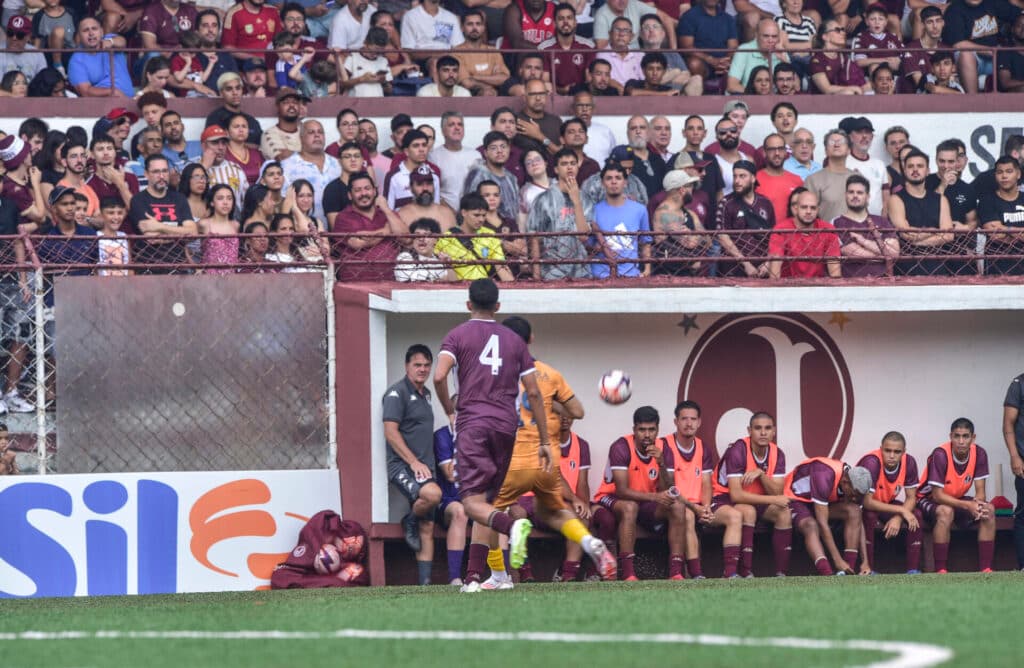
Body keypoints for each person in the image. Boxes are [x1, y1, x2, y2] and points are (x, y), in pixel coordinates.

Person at [432, 278, 550, 593]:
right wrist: (545, 441)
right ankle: (476, 578)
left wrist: (449, 410)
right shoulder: (515, 341)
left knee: (471, 504)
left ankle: (514, 526)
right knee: (488, 503)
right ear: (498, 306)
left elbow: (439, 375)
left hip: (473, 425)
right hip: (506, 427)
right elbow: (535, 394)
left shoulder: (457, 335)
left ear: (468, 304)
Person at [484, 316, 615, 588]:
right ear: (531, 340)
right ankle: (589, 541)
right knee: (554, 512)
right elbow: (577, 412)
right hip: (546, 463)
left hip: (513, 461)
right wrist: (550, 406)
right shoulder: (550, 374)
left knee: (488, 513)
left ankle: (498, 575)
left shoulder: (494, 376)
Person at [593, 405, 686, 580]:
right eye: (642, 429)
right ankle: (628, 573)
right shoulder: (621, 447)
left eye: (651, 430)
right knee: (629, 507)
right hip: (611, 497)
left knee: (678, 508)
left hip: (645, 502)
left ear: (658, 429)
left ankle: (676, 572)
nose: (647, 434)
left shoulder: (664, 449)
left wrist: (661, 463)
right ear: (634, 429)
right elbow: (622, 491)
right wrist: (655, 497)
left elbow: (670, 488)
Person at [383, 344, 443, 585]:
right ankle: (408, 519)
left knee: (427, 525)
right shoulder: (396, 393)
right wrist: (414, 462)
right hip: (403, 467)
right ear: (407, 366)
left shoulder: (426, 394)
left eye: (427, 365)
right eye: (417, 365)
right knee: (433, 495)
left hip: (424, 468)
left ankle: (425, 585)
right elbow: (391, 433)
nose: (422, 369)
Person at [710, 412, 791, 577]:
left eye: (767, 428)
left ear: (774, 431)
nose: (763, 433)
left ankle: (781, 574)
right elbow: (736, 495)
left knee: (784, 513)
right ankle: (741, 572)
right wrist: (774, 499)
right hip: (723, 497)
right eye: (758, 428)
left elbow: (777, 492)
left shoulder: (777, 453)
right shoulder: (738, 450)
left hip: (756, 499)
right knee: (748, 511)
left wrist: (761, 474)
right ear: (749, 430)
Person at [917, 418, 996, 573]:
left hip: (955, 499)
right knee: (946, 512)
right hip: (927, 499)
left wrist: (978, 504)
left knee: (989, 509)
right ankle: (940, 569)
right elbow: (938, 495)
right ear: (950, 436)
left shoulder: (979, 453)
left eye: (965, 436)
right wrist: (968, 505)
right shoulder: (940, 454)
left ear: (973, 438)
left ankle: (986, 569)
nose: (961, 441)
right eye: (957, 436)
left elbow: (980, 490)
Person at [662, 400, 726, 579]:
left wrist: (705, 507)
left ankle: (735, 572)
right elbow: (670, 488)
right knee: (688, 515)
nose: (689, 423)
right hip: (672, 503)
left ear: (699, 422)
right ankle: (696, 573)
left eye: (693, 419)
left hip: (697, 505)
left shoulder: (702, 447)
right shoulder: (664, 445)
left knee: (736, 516)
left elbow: (706, 483)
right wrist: (695, 508)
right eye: (684, 419)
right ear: (676, 422)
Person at [784, 457, 872, 575]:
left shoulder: (855, 485)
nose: (855, 498)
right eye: (853, 495)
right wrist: (837, 560)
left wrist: (865, 562)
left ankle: (848, 572)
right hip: (796, 499)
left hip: (820, 503)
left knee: (855, 511)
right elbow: (822, 523)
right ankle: (826, 573)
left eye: (859, 496)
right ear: (845, 482)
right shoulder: (824, 475)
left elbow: (858, 523)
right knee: (811, 525)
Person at [857, 431, 923, 574]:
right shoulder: (872, 462)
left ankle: (913, 571)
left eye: (897, 452)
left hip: (885, 503)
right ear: (881, 449)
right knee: (869, 516)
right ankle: (869, 570)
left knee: (916, 515)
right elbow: (867, 502)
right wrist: (902, 510)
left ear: (904, 452)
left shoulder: (909, 462)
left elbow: (912, 497)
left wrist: (899, 517)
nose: (892, 456)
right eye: (888, 451)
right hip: (862, 506)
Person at [889, 148, 954, 276]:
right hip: (906, 268)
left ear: (928, 170)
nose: (915, 169)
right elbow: (906, 234)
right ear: (904, 170)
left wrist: (916, 239)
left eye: (920, 166)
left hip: (937, 267)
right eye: (910, 166)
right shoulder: (896, 199)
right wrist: (935, 231)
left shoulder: (940, 199)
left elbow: (948, 235)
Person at [526, 148, 589, 281]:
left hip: (580, 271)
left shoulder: (585, 199)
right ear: (556, 169)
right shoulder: (543, 200)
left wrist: (576, 202)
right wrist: (537, 276)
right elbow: (534, 238)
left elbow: (583, 236)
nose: (569, 167)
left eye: (573, 163)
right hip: (551, 271)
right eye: (564, 164)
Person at [332, 171, 401, 282]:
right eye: (357, 190)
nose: (363, 193)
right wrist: (387, 230)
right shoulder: (343, 218)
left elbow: (406, 238)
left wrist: (386, 210)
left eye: (367, 188)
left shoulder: (388, 214)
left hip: (390, 282)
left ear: (374, 191)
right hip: (356, 284)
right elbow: (358, 243)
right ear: (350, 195)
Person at [942, 0, 1018, 94]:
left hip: (996, 57)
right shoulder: (955, 9)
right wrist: (991, 51)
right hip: (974, 58)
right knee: (965, 54)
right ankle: (974, 102)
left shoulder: (994, 3)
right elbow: (958, 44)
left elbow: (1018, 15)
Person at [590, 162, 651, 279]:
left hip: (631, 275)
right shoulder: (593, 211)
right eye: (609, 178)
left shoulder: (640, 210)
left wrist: (647, 270)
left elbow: (646, 241)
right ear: (602, 183)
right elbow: (587, 244)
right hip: (600, 277)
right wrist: (597, 247)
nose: (613, 182)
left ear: (625, 182)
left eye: (618, 178)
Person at [434, 193, 514, 282]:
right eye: (476, 215)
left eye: (484, 215)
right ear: (464, 213)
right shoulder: (447, 238)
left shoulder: (489, 235)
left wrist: (512, 288)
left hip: (483, 286)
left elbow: (500, 266)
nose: (481, 220)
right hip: (457, 288)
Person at [716, 160, 775, 278]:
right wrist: (746, 264)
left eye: (742, 176)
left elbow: (774, 236)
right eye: (735, 176)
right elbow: (722, 237)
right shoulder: (726, 203)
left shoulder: (765, 203)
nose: (737, 181)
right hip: (733, 268)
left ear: (753, 178)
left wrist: (768, 262)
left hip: (762, 267)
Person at [833, 174, 899, 278]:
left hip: (883, 282)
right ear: (845, 195)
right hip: (852, 283)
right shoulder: (837, 223)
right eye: (851, 192)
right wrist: (884, 255)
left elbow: (894, 252)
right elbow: (852, 252)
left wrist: (862, 241)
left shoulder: (882, 221)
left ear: (867, 196)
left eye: (860, 193)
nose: (855, 195)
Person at [431, 414, 469, 585]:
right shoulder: (442, 435)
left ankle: (501, 573)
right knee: (459, 512)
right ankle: (455, 578)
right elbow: (450, 474)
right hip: (447, 501)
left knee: (494, 511)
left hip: (472, 499)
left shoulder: (479, 436)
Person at [281, 120, 341, 223]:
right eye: (311, 132)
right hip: (302, 232)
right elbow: (283, 202)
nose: (317, 135)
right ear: (301, 138)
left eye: (320, 132)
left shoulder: (338, 164)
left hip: (338, 231)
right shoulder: (287, 166)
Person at [651, 170, 707, 277]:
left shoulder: (689, 213)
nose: (693, 190)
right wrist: (696, 236)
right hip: (668, 278)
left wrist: (692, 234)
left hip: (688, 276)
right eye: (690, 186)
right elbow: (691, 244)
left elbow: (708, 240)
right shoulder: (662, 214)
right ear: (682, 190)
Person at [979, 156, 1024, 276]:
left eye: (1009, 171)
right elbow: (996, 235)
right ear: (995, 175)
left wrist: (1006, 229)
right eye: (1000, 172)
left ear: (1018, 174)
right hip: (998, 267)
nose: (1004, 176)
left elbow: (1001, 231)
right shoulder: (986, 201)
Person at [67, 16, 133, 98]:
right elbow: (86, 91)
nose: (91, 33)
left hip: (131, 100)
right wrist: (112, 92)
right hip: (106, 103)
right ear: (79, 36)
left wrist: (111, 42)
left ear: (102, 32)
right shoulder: (76, 60)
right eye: (86, 30)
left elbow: (122, 42)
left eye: (94, 29)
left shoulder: (109, 39)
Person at [838, 116, 889, 217]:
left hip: (876, 223)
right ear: (850, 137)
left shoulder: (879, 164)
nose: (864, 136)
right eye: (859, 132)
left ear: (872, 137)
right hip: (849, 222)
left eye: (868, 132)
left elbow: (886, 195)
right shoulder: (842, 162)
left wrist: (884, 219)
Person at [539, 3, 595, 95]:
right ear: (554, 23)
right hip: (554, 96)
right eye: (561, 19)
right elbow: (545, 82)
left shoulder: (588, 46)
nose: (565, 22)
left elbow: (589, 80)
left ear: (575, 22)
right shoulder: (544, 48)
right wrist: (562, 90)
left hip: (582, 96)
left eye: (569, 18)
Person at [465, 132, 519, 223]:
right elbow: (470, 208)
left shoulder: (512, 178)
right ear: (486, 153)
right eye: (494, 148)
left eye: (503, 147)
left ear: (509, 149)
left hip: (510, 231)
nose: (499, 151)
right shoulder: (478, 175)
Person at [428, 112, 478, 212]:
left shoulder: (475, 155)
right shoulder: (433, 157)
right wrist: (451, 213)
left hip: (472, 215)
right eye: (451, 125)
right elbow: (432, 191)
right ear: (443, 131)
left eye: (460, 124)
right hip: (443, 213)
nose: (457, 128)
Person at [453, 9, 510, 96]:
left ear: (483, 28)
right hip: (468, 94)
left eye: (478, 24)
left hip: (495, 92)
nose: (474, 28)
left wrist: (475, 76)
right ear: (462, 28)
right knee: (487, 93)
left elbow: (504, 79)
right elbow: (467, 83)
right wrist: (491, 82)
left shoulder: (493, 51)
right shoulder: (456, 52)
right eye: (470, 24)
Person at [804, 129, 856, 224]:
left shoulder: (857, 178)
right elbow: (807, 214)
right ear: (826, 151)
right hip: (826, 235)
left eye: (841, 142)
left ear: (849, 150)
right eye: (832, 142)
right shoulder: (813, 179)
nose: (836, 145)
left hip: (856, 235)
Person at [677, 0, 737, 81]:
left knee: (742, 59)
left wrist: (725, 62)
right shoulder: (689, 16)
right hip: (703, 62)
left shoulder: (728, 18)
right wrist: (710, 59)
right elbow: (686, 47)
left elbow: (733, 46)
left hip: (724, 63)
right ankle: (699, 89)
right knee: (694, 64)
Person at [193, 125, 249, 213]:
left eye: (223, 143)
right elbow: (187, 196)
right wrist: (204, 167)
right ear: (203, 146)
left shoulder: (236, 169)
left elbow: (246, 202)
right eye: (215, 143)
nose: (221, 147)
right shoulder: (192, 167)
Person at [727, 17, 789, 94]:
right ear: (756, 35)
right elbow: (732, 86)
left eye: (774, 36)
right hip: (747, 98)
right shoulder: (743, 50)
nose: (770, 40)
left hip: (774, 100)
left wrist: (784, 60)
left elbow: (795, 85)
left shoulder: (780, 51)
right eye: (766, 36)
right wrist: (758, 95)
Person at [809, 17, 871, 94]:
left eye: (842, 30)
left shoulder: (844, 58)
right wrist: (853, 88)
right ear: (825, 37)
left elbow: (859, 81)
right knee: (848, 93)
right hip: (820, 102)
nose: (843, 33)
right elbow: (826, 89)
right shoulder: (817, 60)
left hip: (843, 98)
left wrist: (866, 86)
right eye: (837, 30)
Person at [1002, 372, 1024, 570]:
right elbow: (1008, 424)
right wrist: (1014, 456)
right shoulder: (1018, 384)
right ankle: (1023, 565)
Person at [756, 134, 803, 225]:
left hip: (792, 236)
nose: (777, 153)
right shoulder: (754, 180)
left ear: (785, 152)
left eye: (780, 149)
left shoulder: (797, 180)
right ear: (764, 153)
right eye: (772, 149)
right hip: (764, 236)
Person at [206, 72, 262, 147]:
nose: (235, 92)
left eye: (238, 88)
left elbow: (262, 146)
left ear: (242, 91)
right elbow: (215, 147)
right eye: (229, 89)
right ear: (221, 93)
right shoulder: (215, 119)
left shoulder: (251, 121)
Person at [394, 217, 457, 282]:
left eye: (426, 235)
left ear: (436, 239)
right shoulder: (405, 257)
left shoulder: (440, 260)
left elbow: (454, 283)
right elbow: (411, 282)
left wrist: (449, 266)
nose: (421, 239)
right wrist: (441, 280)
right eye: (417, 235)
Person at [397, 167, 456, 233]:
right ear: (411, 188)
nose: (425, 188)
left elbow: (453, 241)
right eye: (419, 184)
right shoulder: (402, 214)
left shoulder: (447, 214)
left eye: (429, 184)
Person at [197, 183, 240, 273]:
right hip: (209, 278)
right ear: (212, 202)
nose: (225, 202)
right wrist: (195, 267)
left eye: (229, 198)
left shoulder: (236, 225)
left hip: (232, 278)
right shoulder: (204, 224)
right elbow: (186, 244)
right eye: (220, 198)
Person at [260, 88, 304, 162]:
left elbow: (319, 156)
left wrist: (292, 153)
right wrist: (309, 155)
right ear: (277, 107)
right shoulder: (269, 134)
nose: (291, 105)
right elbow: (284, 159)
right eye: (286, 102)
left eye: (295, 102)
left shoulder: (306, 131)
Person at [573, 91, 616, 165]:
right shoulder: (567, 132)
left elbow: (613, 159)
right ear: (573, 108)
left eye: (588, 105)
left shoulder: (605, 131)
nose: (584, 109)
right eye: (580, 105)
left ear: (593, 108)